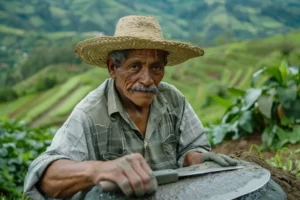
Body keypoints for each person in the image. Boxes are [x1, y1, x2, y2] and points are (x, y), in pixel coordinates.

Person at [23, 15, 237, 199]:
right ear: (112, 67)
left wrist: (195, 157)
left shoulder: (173, 100)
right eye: (135, 66)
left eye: (156, 68)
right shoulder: (90, 112)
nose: (147, 79)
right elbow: (45, 176)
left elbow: (192, 148)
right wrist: (99, 170)